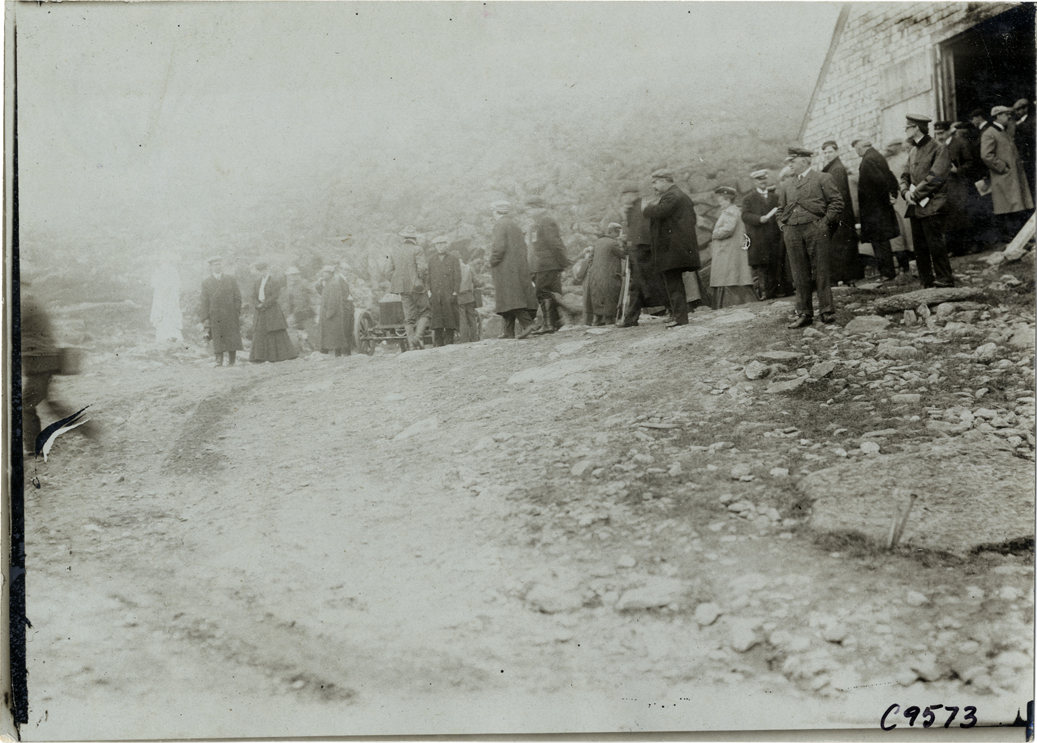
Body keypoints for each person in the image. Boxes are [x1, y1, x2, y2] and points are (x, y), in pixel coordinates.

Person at [777, 146, 844, 328]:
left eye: (793, 161)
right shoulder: (786, 185)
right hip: (792, 231)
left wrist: (824, 223)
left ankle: (826, 311)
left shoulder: (822, 178)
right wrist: (783, 226)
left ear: (805, 161)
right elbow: (780, 209)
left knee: (821, 270)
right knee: (799, 273)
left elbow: (836, 202)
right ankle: (804, 313)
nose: (790, 165)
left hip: (815, 228)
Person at [900, 114, 955, 288]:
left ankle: (945, 279)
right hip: (915, 206)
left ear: (916, 128)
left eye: (907, 127)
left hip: (933, 205)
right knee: (920, 248)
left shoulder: (939, 148)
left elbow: (937, 177)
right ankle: (926, 281)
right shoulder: (913, 151)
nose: (905, 130)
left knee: (936, 244)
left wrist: (915, 195)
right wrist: (904, 192)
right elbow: (904, 176)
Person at [642, 168, 700, 328]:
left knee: (674, 283)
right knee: (673, 282)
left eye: (655, 183)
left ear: (663, 181)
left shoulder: (672, 196)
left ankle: (680, 318)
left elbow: (659, 211)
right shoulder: (681, 195)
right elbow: (693, 219)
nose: (653, 186)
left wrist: (645, 208)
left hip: (672, 250)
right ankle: (677, 314)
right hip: (677, 248)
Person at [981, 105, 1034, 243]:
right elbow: (986, 155)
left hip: (1012, 176)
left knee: (1015, 206)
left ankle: (1018, 239)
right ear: (998, 116)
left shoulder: (1003, 131)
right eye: (1006, 114)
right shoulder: (990, 133)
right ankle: (1011, 239)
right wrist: (1003, 167)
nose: (1009, 117)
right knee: (1008, 207)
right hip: (1004, 177)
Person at [618, 183, 668, 326]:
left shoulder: (642, 206)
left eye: (625, 195)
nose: (623, 198)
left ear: (632, 194)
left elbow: (644, 230)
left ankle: (674, 309)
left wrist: (634, 245)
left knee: (651, 282)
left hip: (643, 250)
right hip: (637, 250)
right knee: (638, 284)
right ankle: (631, 319)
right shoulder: (630, 210)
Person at [852, 138, 901, 281]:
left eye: (857, 149)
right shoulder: (877, 156)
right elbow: (890, 177)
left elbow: (880, 182)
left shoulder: (868, 160)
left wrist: (886, 198)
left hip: (874, 209)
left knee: (879, 241)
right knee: (882, 240)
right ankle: (887, 271)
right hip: (880, 207)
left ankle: (887, 272)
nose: (856, 152)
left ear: (861, 148)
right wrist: (892, 195)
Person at [488, 200, 537, 339]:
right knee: (510, 297)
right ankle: (508, 330)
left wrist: (492, 261)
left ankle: (528, 324)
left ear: (496, 212)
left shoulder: (500, 224)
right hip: (517, 267)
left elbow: (499, 247)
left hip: (505, 268)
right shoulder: (514, 224)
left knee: (511, 298)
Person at [525, 197, 571, 334]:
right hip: (542, 264)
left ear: (538, 208)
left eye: (529, 209)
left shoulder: (546, 221)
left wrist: (563, 262)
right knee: (547, 292)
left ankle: (549, 324)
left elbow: (554, 243)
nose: (527, 212)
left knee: (543, 291)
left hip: (547, 264)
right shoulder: (538, 222)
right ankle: (553, 323)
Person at [820, 141, 863, 285]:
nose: (827, 155)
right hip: (839, 212)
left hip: (839, 213)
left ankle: (845, 276)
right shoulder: (833, 167)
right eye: (825, 153)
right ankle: (845, 276)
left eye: (830, 152)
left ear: (836, 152)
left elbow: (837, 193)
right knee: (841, 244)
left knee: (841, 245)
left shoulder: (836, 169)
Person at [708, 186, 758, 308]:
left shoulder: (730, 211)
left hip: (728, 249)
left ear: (727, 200)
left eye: (721, 200)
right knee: (733, 276)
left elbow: (728, 229)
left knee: (729, 276)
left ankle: (731, 303)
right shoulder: (732, 210)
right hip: (729, 248)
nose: (720, 203)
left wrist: (715, 233)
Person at [385, 226, 431, 350]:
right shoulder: (418, 249)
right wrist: (421, 280)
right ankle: (417, 338)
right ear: (414, 238)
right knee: (425, 312)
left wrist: (397, 282)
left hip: (403, 289)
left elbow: (387, 272)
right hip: (417, 287)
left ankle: (411, 345)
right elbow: (422, 268)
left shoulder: (395, 251)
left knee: (408, 318)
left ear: (403, 238)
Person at [741, 169, 784, 299]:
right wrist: (759, 219)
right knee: (762, 266)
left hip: (774, 236)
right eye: (759, 180)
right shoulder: (748, 198)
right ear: (754, 182)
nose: (762, 182)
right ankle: (764, 293)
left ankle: (779, 291)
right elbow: (745, 215)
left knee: (776, 263)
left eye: (764, 179)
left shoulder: (775, 197)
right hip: (759, 238)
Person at [248, 262, 297, 362]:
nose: (262, 272)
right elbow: (253, 296)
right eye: (260, 271)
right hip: (260, 310)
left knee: (274, 331)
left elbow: (275, 296)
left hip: (272, 309)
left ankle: (277, 356)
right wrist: (257, 304)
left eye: (263, 270)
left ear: (267, 270)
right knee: (259, 332)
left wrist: (264, 304)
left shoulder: (274, 281)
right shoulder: (257, 282)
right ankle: (260, 357)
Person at [200, 256, 243, 367]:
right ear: (211, 267)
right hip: (216, 314)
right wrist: (205, 317)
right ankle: (219, 360)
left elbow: (237, 296)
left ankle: (232, 360)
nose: (218, 266)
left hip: (230, 313)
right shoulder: (206, 282)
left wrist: (236, 310)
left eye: (219, 264)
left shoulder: (230, 279)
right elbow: (204, 301)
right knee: (217, 336)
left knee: (232, 336)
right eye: (215, 265)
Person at [581, 222, 625, 325]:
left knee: (598, 298)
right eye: (618, 233)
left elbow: (590, 259)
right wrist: (625, 243)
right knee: (610, 298)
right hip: (609, 277)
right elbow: (624, 254)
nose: (618, 235)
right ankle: (609, 323)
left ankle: (597, 321)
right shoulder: (613, 243)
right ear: (613, 232)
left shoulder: (597, 242)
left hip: (595, 276)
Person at [428, 235, 461, 346]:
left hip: (449, 292)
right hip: (436, 293)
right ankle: (438, 343)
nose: (440, 247)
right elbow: (428, 276)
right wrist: (429, 291)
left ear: (446, 245)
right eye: (438, 244)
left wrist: (455, 292)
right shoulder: (432, 260)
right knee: (437, 318)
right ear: (435, 246)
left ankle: (449, 341)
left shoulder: (453, 259)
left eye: (442, 244)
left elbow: (457, 276)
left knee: (450, 317)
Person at [316, 264, 353, 357]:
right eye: (323, 272)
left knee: (336, 333)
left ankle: (336, 353)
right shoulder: (329, 282)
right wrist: (319, 285)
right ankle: (331, 352)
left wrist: (330, 313)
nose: (324, 275)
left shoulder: (334, 283)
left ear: (331, 274)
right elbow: (323, 293)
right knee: (332, 333)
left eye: (326, 273)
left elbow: (333, 300)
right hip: (328, 311)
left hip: (332, 313)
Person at [150, 251, 183, 344]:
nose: (164, 261)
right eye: (162, 260)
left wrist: (172, 292)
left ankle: (173, 336)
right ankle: (162, 337)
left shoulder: (173, 271)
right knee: (161, 316)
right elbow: (156, 286)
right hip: (161, 298)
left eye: (166, 259)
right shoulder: (158, 271)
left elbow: (177, 286)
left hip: (171, 298)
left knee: (172, 315)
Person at [284, 266, 317, 354]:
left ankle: (317, 350)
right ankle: (298, 348)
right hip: (297, 313)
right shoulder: (290, 287)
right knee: (289, 327)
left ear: (297, 275)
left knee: (311, 331)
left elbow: (314, 294)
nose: (291, 277)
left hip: (306, 312)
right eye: (290, 276)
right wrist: (290, 313)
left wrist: (316, 306)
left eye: (293, 275)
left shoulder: (304, 283)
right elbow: (290, 302)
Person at [1013, 98, 1035, 198]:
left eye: (1018, 109)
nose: (1016, 112)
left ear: (1025, 109)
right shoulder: (1020, 122)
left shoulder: (1031, 121)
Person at [457, 256, 481, 343]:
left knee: (462, 318)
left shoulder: (454, 269)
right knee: (471, 317)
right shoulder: (468, 268)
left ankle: (464, 339)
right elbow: (476, 281)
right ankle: (474, 338)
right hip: (469, 296)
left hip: (459, 296)